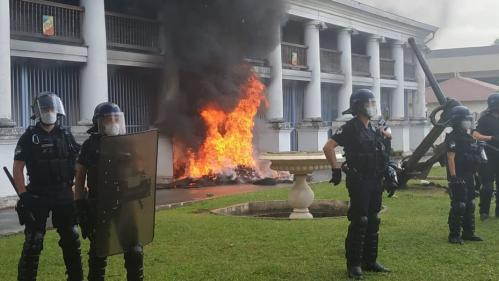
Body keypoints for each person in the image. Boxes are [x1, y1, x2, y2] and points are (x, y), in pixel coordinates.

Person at [323, 89, 392, 280]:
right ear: (358, 107)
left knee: (373, 220)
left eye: (373, 103)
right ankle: (354, 264)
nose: (371, 107)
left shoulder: (374, 128)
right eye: (368, 104)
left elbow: (382, 153)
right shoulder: (350, 128)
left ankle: (371, 261)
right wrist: (336, 169)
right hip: (359, 180)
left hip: (375, 180)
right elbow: (328, 147)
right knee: (360, 221)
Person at [13, 92, 83, 281]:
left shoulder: (67, 135)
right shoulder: (28, 137)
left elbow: (78, 166)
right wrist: (23, 194)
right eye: (45, 109)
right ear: (37, 112)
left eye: (51, 109)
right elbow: (17, 168)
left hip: (64, 194)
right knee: (34, 242)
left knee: (71, 237)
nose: (49, 112)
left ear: (57, 110)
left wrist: (81, 191)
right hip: (38, 195)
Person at [74, 102, 144, 281]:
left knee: (134, 251)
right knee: (99, 252)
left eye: (116, 119)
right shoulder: (89, 146)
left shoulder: (127, 143)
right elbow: (80, 176)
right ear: (99, 122)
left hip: (125, 204)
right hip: (99, 205)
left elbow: (140, 169)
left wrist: (141, 187)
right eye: (108, 119)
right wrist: (80, 205)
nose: (112, 122)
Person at [445, 106, 485, 244]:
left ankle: (469, 233)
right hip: (458, 175)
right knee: (459, 205)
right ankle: (454, 235)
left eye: (469, 119)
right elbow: (450, 158)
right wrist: (454, 177)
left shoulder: (469, 137)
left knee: (470, 204)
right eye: (465, 119)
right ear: (457, 120)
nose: (468, 122)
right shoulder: (452, 137)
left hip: (469, 174)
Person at [472, 93, 499, 220]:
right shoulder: (485, 118)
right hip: (488, 155)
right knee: (488, 185)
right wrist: (490, 138)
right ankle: (484, 212)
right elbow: (475, 135)